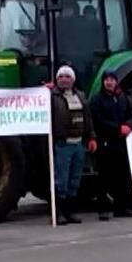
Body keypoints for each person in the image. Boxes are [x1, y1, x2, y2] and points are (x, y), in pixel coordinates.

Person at [50, 65, 97, 224]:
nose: (64, 79)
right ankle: (59, 213)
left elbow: (88, 118)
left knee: (74, 179)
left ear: (73, 80)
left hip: (79, 145)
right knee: (61, 180)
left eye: (67, 76)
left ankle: (70, 211)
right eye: (61, 76)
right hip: (63, 145)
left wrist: (91, 137)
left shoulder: (81, 96)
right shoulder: (51, 97)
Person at [88, 71, 132, 221]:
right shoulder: (97, 100)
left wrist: (129, 125)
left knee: (122, 176)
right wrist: (117, 128)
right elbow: (98, 120)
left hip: (121, 142)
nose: (109, 82)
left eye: (112, 80)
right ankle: (103, 209)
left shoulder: (122, 98)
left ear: (116, 82)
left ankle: (121, 207)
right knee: (104, 176)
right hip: (105, 142)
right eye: (107, 80)